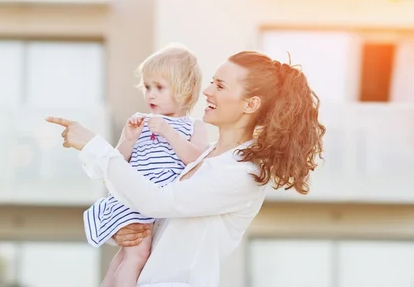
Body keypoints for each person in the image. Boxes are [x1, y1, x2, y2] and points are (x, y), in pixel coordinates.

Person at [47, 51, 326, 287]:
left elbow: (157, 201)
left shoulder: (242, 173)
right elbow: (160, 215)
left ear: (250, 104)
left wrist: (93, 145)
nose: (206, 91)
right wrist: (121, 230)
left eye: (220, 86)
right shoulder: (205, 154)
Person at [84, 44, 208, 287]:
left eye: (159, 88)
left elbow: (197, 160)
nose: (150, 94)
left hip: (154, 201)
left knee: (125, 256)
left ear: (186, 90)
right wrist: (129, 138)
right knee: (138, 255)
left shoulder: (194, 127)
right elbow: (114, 164)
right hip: (134, 198)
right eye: (148, 87)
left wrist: (168, 132)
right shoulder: (140, 123)